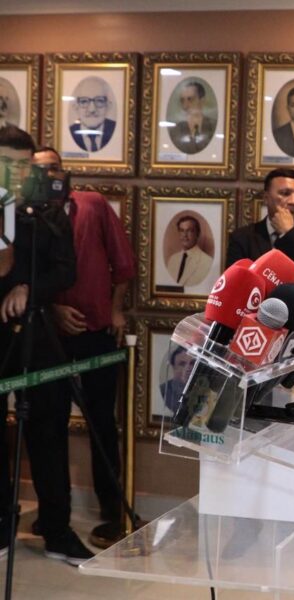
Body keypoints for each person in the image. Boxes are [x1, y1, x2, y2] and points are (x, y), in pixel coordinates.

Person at [0, 125, 94, 565]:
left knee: (49, 429)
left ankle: (57, 530)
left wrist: (28, 289)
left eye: (22, 165)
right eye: (6, 163)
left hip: (37, 332)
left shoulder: (45, 211)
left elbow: (65, 270)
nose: (14, 173)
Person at [31, 146, 135, 543]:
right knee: (49, 425)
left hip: (96, 333)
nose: (49, 175)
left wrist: (116, 310)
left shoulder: (92, 204)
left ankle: (113, 511)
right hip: (48, 337)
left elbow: (123, 263)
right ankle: (53, 514)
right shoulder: (27, 214)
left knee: (103, 423)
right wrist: (52, 309)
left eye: (54, 168)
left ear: (65, 171)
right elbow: (25, 275)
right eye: (40, 170)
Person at [225, 168, 294, 268]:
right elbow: (235, 280)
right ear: (266, 198)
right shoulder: (242, 238)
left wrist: (288, 234)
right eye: (285, 193)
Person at [68, 77, 115, 153]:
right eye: (84, 101)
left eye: (99, 101)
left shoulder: (116, 132)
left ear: (108, 106)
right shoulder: (69, 133)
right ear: (75, 107)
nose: (92, 109)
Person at [169, 80, 216, 155]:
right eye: (182, 101)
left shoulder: (214, 126)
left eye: (190, 99)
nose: (185, 106)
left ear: (202, 101)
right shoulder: (175, 131)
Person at [165, 215, 213, 287]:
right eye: (182, 230)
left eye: (189, 231)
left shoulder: (207, 262)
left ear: (197, 234)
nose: (185, 235)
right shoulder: (172, 259)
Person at [160, 346, 194, 415]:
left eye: (192, 363)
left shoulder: (207, 389)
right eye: (182, 364)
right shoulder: (164, 390)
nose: (188, 368)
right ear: (173, 368)